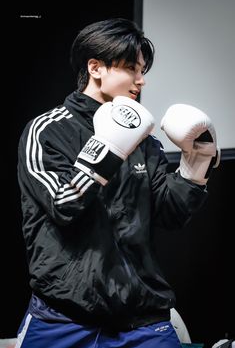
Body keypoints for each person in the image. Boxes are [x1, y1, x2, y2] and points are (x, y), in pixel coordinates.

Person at [15, 18, 219, 348]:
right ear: (95, 67)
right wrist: (107, 149)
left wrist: (195, 166)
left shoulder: (145, 139)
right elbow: (63, 204)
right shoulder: (46, 130)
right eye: (131, 69)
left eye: (143, 71)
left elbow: (170, 214)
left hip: (142, 318)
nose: (141, 81)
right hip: (63, 318)